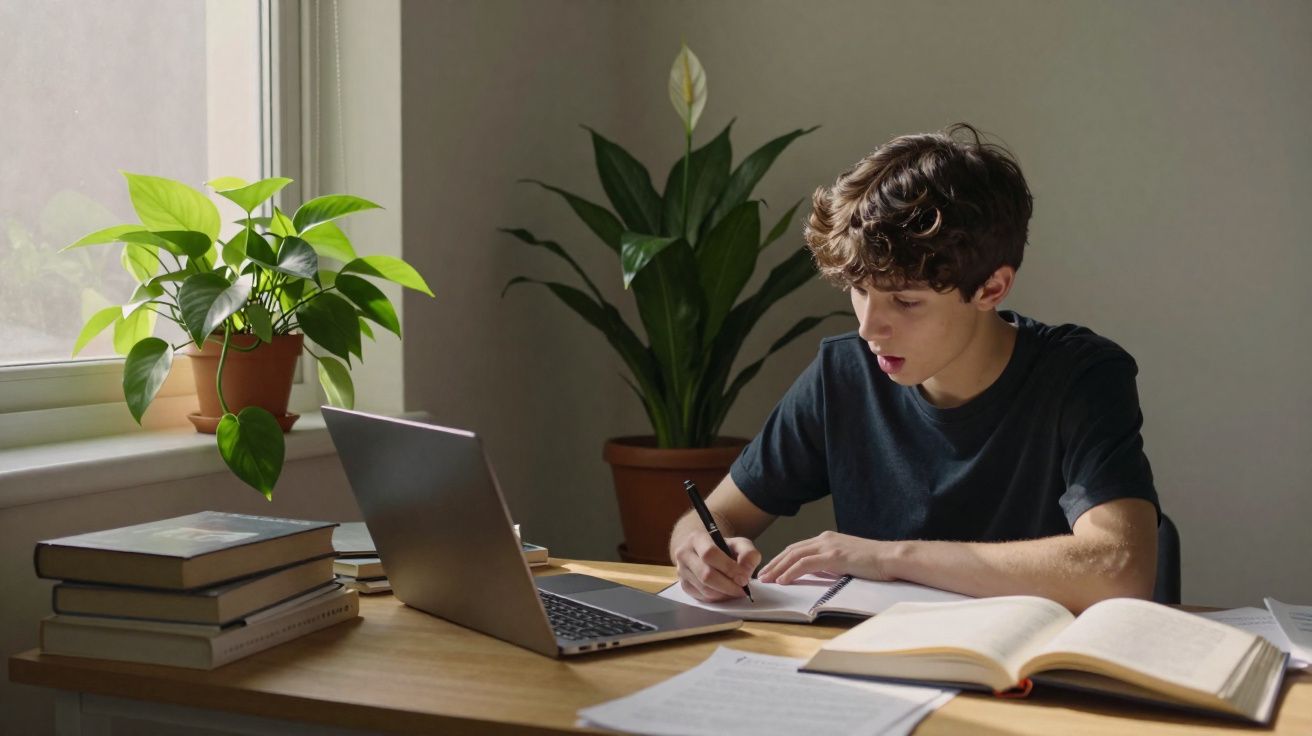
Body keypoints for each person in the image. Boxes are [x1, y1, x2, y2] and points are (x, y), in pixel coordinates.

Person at [668, 122, 1159, 613]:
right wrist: (698, 550)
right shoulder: (843, 373)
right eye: (861, 291)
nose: (869, 328)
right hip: (875, 669)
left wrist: (890, 558)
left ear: (991, 288)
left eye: (904, 301)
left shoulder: (1081, 377)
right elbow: (713, 517)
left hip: (1028, 675)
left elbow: (1119, 567)